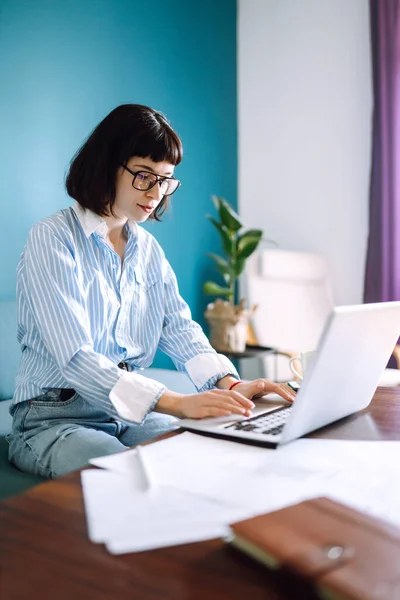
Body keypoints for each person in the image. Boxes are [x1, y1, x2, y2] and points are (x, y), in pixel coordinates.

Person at [7, 104, 295, 479]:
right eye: (145, 176)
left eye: (166, 179)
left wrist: (231, 383)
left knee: (203, 452)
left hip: (125, 414)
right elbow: (75, 357)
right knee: (126, 472)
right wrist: (175, 403)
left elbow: (180, 330)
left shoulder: (147, 249)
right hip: (52, 419)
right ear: (107, 164)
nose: (156, 193)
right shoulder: (52, 239)